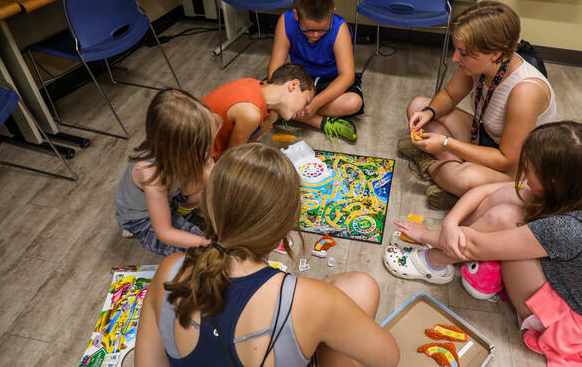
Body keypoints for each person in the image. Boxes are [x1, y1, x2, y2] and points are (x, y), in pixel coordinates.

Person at [385, 121, 582, 365]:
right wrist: (450, 225)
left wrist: (427, 234)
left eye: (529, 171)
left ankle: (434, 262)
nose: (523, 176)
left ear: (554, 182)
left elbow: (474, 245)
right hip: (574, 288)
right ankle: (454, 247)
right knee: (508, 196)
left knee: (504, 217)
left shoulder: (569, 227)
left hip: (565, 319)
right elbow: (487, 190)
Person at [135, 144, 400, 367]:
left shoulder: (170, 269)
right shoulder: (313, 301)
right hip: (302, 311)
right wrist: (327, 335)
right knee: (360, 290)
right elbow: (387, 357)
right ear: (284, 228)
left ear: (210, 208)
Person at [400, 1, 557, 210]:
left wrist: (446, 144)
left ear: (495, 53)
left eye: (463, 53)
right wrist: (429, 113)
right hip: (485, 136)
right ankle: (457, 184)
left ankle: (434, 168)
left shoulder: (525, 91)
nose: (455, 58)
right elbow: (448, 94)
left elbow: (507, 160)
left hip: (517, 168)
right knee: (418, 105)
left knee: (467, 179)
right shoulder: (482, 64)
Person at [114, 89, 220, 256]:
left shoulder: (173, 150)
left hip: (168, 196)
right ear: (180, 148)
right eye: (204, 146)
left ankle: (180, 212)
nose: (209, 150)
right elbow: (165, 233)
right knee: (202, 253)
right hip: (143, 219)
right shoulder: (149, 172)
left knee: (208, 181)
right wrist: (204, 242)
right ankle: (135, 228)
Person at [268, 0, 363, 142]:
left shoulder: (340, 28)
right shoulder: (285, 21)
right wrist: (281, 92)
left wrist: (316, 103)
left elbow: (347, 77)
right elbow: (274, 70)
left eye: (323, 29)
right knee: (264, 90)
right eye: (309, 29)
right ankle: (321, 122)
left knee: (353, 103)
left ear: (332, 14)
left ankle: (288, 114)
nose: (315, 35)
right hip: (299, 78)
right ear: (297, 15)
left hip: (330, 81)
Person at [201, 62, 314, 160]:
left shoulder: (253, 84)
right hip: (197, 159)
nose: (304, 111)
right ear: (293, 85)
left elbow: (243, 143)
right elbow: (230, 161)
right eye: (306, 102)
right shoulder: (251, 113)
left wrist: (264, 127)